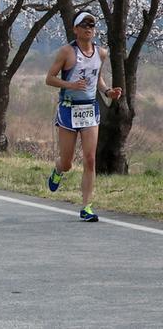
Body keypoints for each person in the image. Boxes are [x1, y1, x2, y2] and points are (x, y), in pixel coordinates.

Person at [45, 12, 122, 222]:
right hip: (68, 109)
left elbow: (98, 78)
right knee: (68, 162)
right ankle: (58, 170)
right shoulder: (67, 52)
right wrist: (70, 85)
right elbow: (49, 78)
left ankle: (86, 207)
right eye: (84, 25)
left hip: (89, 110)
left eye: (92, 25)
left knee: (90, 159)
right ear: (75, 29)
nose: (88, 28)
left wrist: (108, 92)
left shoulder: (101, 53)